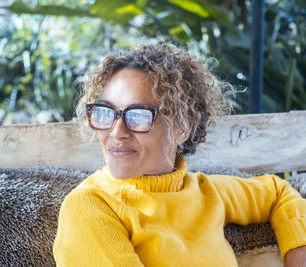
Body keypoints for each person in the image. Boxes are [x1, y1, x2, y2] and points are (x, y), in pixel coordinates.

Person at [53, 44, 306, 266]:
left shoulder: (207, 192)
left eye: (138, 115)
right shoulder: (88, 206)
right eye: (106, 112)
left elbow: (278, 193)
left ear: (183, 128)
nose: (117, 132)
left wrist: (297, 253)